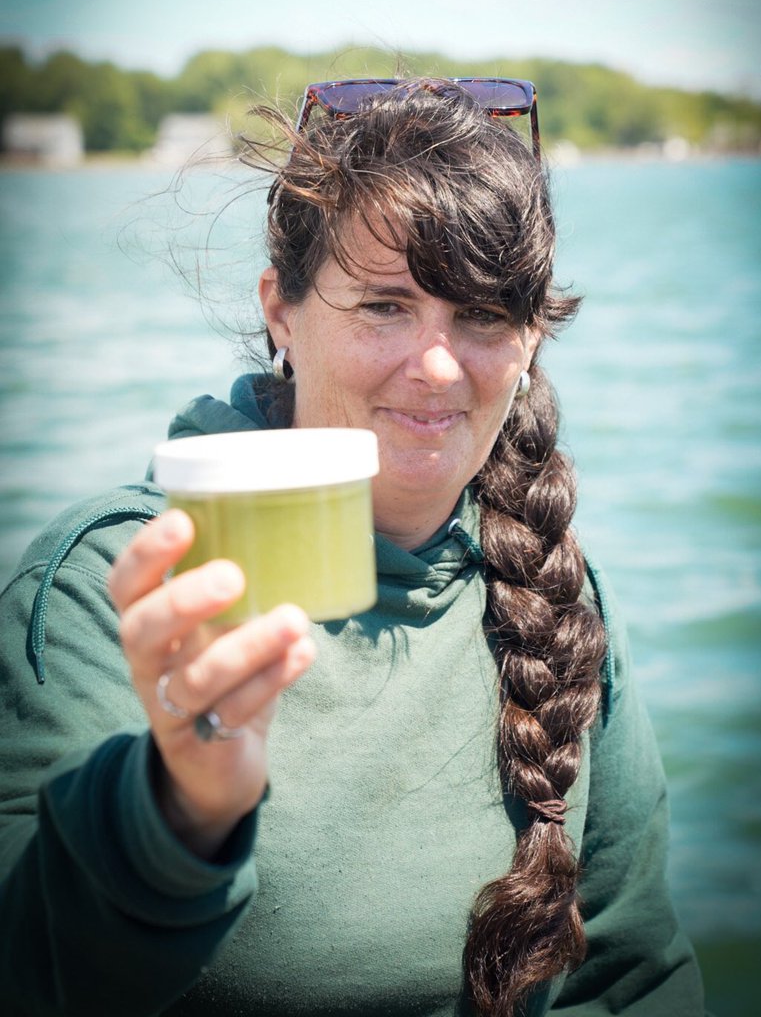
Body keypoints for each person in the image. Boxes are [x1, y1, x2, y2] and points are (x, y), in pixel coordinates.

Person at [0, 78, 707, 1016]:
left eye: (483, 314)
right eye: (384, 305)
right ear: (280, 311)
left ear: (531, 339)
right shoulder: (111, 590)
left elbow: (633, 976)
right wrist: (174, 815)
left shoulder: (559, 596)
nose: (438, 365)